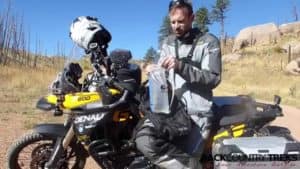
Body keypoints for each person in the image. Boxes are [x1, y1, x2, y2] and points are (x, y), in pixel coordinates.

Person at [135, 0, 222, 168]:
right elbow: (163, 75)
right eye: (173, 22)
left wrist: (181, 66)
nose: (176, 26)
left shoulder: (209, 42)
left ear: (192, 18)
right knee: (144, 139)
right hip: (171, 112)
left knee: (186, 162)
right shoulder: (167, 42)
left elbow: (213, 78)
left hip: (197, 113)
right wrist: (154, 70)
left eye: (181, 21)